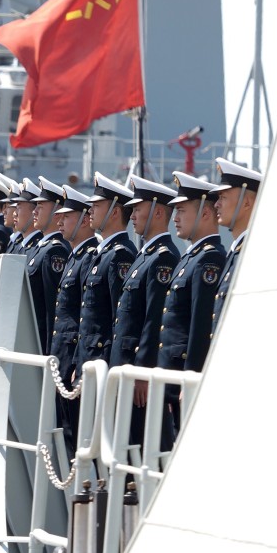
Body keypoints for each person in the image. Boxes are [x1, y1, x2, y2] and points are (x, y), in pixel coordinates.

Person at [110, 175, 181, 446]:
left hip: (138, 375)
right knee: (127, 448)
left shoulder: (163, 257)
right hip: (126, 370)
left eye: (138, 209)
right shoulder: (145, 255)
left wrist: (143, 370)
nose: (133, 215)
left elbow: (154, 320)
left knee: (144, 446)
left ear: (158, 212)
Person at [158, 171, 226, 449]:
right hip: (171, 374)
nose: (175, 217)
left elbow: (201, 325)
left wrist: (192, 377)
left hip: (182, 375)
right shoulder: (191, 257)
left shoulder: (209, 259)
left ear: (206, 214)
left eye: (182, 211)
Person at [50, 184, 98, 456]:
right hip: (64, 358)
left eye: (66, 216)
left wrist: (77, 362)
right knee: (66, 432)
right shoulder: (75, 257)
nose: (60, 221)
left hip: (73, 360)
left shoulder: (89, 257)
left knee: (76, 433)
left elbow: (86, 316)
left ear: (83, 219)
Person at [73, 173, 137, 375]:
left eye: (97, 206)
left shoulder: (121, 255)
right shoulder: (102, 253)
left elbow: (119, 319)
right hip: (88, 362)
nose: (90, 210)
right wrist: (77, 360)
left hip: (102, 364)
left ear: (115, 212)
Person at [211, 157, 263, 331]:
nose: (216, 204)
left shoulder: (254, 254)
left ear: (247, 203)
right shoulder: (236, 253)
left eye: (223, 197)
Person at [24, 177, 70, 353]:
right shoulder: (40, 249)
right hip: (31, 341)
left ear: (57, 211)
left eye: (40, 207)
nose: (34, 211)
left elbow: (54, 310)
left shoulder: (55, 252)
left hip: (41, 346)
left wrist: (50, 354)